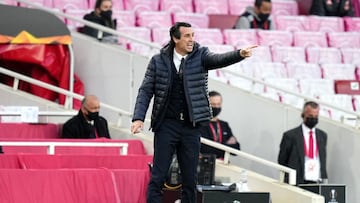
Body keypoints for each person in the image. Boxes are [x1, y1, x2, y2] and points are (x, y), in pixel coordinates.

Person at [131, 21, 256, 203]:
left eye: (193, 35)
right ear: (175, 38)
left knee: (190, 180)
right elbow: (145, 91)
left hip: (191, 127)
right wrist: (138, 118)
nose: (191, 39)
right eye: (187, 36)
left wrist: (239, 54)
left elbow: (219, 59)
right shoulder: (158, 61)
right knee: (158, 177)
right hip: (166, 125)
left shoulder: (201, 55)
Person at [278, 101, 328, 185]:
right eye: (310, 116)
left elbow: (322, 159)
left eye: (316, 116)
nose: (313, 119)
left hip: (317, 181)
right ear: (303, 115)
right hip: (297, 181)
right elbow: (282, 160)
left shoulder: (322, 136)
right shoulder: (290, 136)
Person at [200, 91, 240, 159]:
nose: (216, 107)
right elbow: (205, 149)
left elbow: (236, 149)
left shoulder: (224, 125)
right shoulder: (200, 123)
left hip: (222, 164)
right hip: (204, 163)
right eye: (213, 104)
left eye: (218, 104)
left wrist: (214, 148)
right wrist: (226, 147)